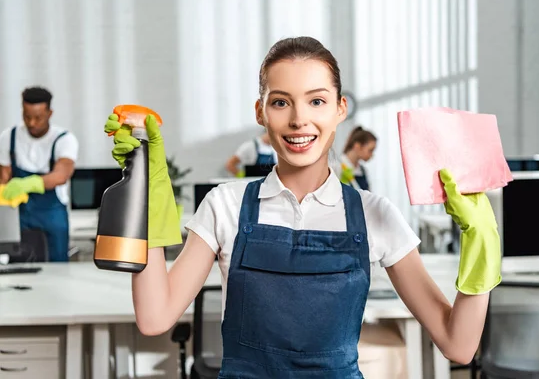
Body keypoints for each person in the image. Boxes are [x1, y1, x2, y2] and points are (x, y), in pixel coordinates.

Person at [104, 36, 501, 377]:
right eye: (281, 103)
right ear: (260, 112)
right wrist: (147, 190)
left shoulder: (375, 214)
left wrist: (481, 242)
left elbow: (458, 345)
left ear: (340, 109)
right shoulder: (225, 205)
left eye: (316, 101)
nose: (299, 120)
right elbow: (155, 318)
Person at [0, 86, 79, 262]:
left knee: (57, 269)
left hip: (52, 217)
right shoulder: (9, 136)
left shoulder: (64, 139)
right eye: (27, 117)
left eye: (38, 118)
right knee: (19, 267)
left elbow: (61, 174)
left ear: (50, 113)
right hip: (20, 217)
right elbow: (3, 177)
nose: (32, 123)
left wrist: (27, 184)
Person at [337, 126, 377, 191]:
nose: (372, 155)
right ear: (357, 146)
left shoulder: (362, 171)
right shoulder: (336, 166)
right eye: (370, 150)